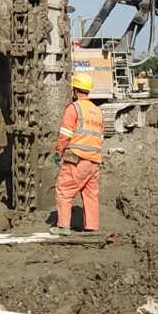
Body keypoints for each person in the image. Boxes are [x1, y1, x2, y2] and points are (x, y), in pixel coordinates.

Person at [50, 72, 104, 236]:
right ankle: (91, 227)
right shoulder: (97, 111)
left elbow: (65, 135)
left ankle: (63, 226)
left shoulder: (74, 108)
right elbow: (100, 137)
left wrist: (59, 152)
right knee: (90, 194)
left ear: (75, 90)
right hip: (94, 161)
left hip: (77, 159)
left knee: (64, 190)